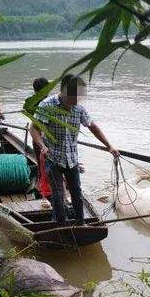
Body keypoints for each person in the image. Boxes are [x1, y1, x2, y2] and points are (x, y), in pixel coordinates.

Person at [30, 74, 120, 225]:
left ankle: (80, 224)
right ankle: (61, 226)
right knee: (58, 195)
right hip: (53, 158)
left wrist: (109, 146)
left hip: (72, 159)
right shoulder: (47, 105)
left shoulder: (78, 109)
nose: (75, 100)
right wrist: (42, 146)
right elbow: (34, 128)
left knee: (77, 193)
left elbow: (92, 126)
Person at [31, 77, 53, 200]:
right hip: (47, 138)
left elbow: (33, 125)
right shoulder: (53, 102)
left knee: (41, 165)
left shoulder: (33, 102)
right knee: (50, 166)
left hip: (37, 138)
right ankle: (47, 192)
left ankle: (44, 190)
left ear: (35, 90)